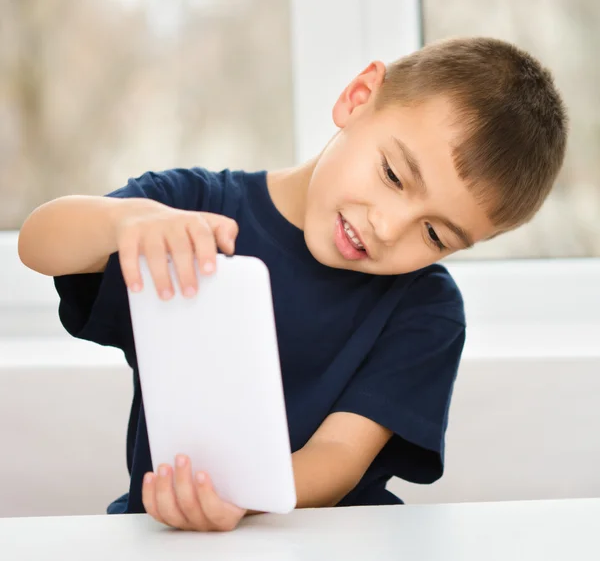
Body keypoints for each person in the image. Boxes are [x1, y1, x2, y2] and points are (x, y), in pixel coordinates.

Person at [18, 37, 567, 532]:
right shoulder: (188, 208)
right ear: (357, 97)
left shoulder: (426, 309)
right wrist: (125, 223)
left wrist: (242, 496)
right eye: (394, 176)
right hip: (168, 535)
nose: (387, 227)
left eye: (432, 233)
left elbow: (338, 456)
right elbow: (39, 243)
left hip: (327, 540)